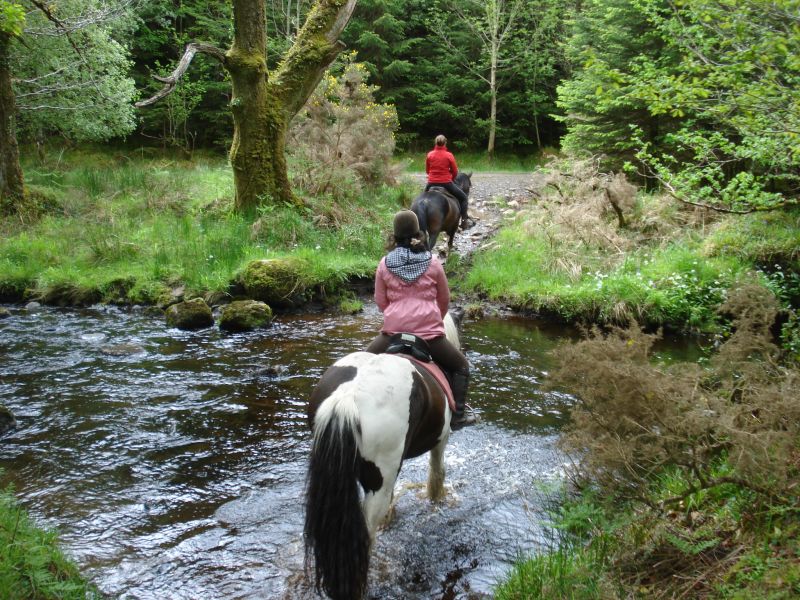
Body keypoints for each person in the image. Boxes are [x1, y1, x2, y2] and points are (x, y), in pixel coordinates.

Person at [366, 210, 475, 429]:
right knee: (462, 366)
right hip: (428, 336)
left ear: (394, 236)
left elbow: (380, 301)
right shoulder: (432, 262)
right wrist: (434, 318)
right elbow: (444, 299)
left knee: (362, 361)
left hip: (393, 334)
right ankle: (459, 416)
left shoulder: (385, 264)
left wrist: (395, 316)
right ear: (418, 233)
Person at [425, 134, 474, 230]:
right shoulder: (449, 155)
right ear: (445, 143)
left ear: (435, 143)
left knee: (421, 198)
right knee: (464, 198)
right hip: (446, 183)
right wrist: (450, 177)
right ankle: (464, 222)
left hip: (431, 183)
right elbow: (455, 171)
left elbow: (427, 170)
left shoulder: (430, 154)